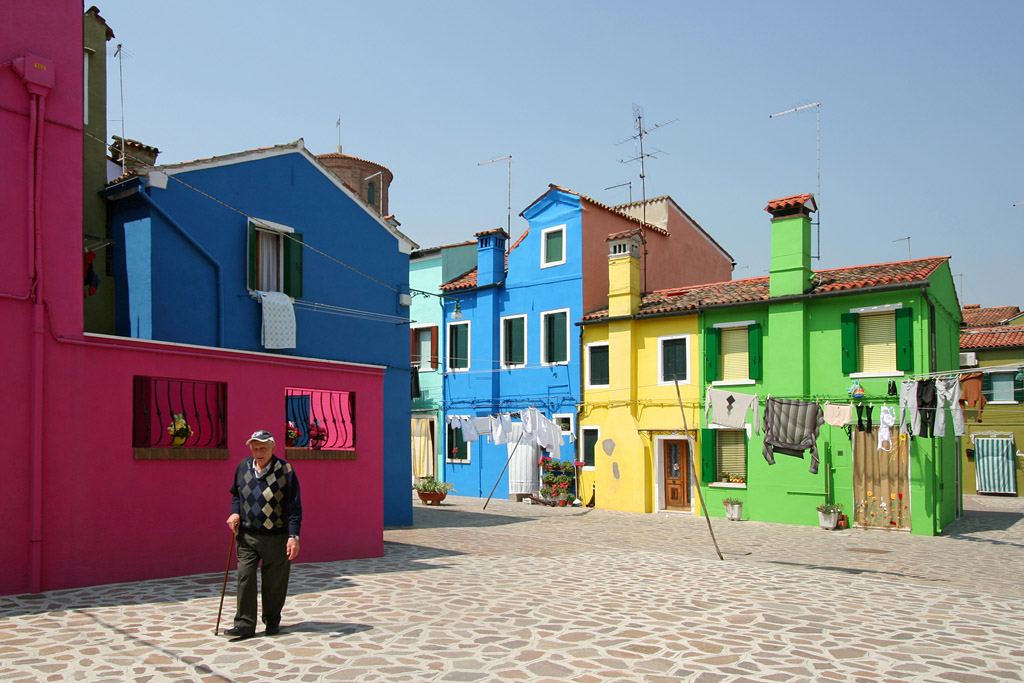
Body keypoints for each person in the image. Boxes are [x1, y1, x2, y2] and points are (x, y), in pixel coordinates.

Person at [223, 429, 302, 639]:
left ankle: (272, 620)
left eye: (263, 448)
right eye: (255, 448)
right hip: (247, 535)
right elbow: (236, 495)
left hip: (277, 536)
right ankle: (244, 624)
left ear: (273, 448)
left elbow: (294, 507)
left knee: (274, 582)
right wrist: (234, 513)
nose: (259, 452)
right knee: (245, 577)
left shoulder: (286, 470)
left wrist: (293, 537)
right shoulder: (243, 467)